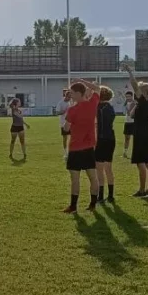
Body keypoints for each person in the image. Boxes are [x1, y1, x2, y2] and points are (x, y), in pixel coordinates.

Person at [61, 79, 103, 213]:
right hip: (89, 148)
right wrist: (82, 81)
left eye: (72, 93)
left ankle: (73, 206)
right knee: (93, 177)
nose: (70, 95)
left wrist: (69, 125)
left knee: (75, 179)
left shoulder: (72, 110)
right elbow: (98, 88)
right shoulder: (92, 104)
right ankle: (92, 204)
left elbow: (66, 128)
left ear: (79, 93)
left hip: (75, 148)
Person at [124, 64, 148, 197]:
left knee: (141, 163)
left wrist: (130, 72)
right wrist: (135, 105)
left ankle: (142, 190)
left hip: (140, 134)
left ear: (143, 92)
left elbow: (134, 85)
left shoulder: (142, 101)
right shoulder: (147, 103)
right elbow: (131, 115)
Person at [95, 87, 117, 203]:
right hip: (111, 138)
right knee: (108, 168)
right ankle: (111, 195)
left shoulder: (98, 108)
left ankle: (100, 196)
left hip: (100, 139)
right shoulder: (111, 108)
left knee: (99, 169)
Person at [56, 89, 71, 159]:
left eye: (70, 97)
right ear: (66, 96)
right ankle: (65, 152)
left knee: (72, 138)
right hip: (63, 123)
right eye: (69, 97)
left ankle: (71, 151)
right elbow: (57, 112)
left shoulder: (70, 103)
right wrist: (64, 111)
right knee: (65, 138)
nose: (69, 98)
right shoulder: (60, 103)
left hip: (71, 123)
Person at [122, 89, 136, 158]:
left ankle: (136, 153)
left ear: (132, 96)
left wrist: (126, 106)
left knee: (135, 138)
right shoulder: (125, 103)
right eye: (126, 97)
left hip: (133, 123)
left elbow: (129, 113)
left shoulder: (134, 103)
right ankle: (125, 152)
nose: (127, 98)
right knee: (127, 138)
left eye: (129, 96)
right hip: (127, 122)